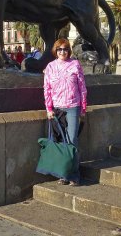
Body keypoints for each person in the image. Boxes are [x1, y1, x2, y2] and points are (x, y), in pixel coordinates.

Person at [43, 38, 87, 186]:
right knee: (62, 142)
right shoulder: (50, 67)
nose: (62, 52)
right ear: (55, 51)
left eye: (65, 49)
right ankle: (64, 174)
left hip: (73, 106)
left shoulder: (75, 64)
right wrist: (49, 109)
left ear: (69, 51)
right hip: (57, 108)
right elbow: (47, 89)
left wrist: (83, 107)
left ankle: (74, 174)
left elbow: (82, 86)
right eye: (60, 49)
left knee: (72, 140)